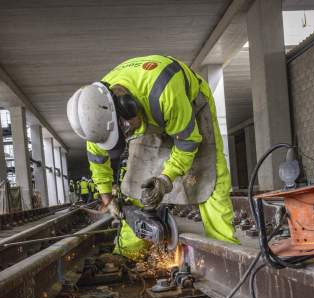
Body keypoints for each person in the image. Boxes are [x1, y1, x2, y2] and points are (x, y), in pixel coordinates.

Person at [67, 54, 238, 260]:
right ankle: (127, 255)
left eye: (126, 130)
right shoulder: (96, 116)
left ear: (126, 105)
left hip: (190, 104)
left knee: (210, 179)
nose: (127, 135)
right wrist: (107, 198)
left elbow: (187, 142)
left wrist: (166, 179)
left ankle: (227, 255)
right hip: (149, 111)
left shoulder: (166, 94)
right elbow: (97, 161)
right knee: (137, 185)